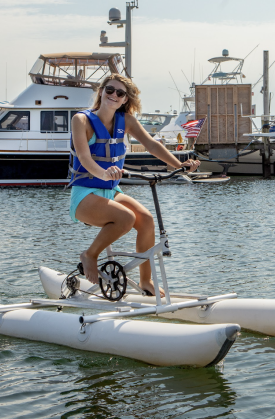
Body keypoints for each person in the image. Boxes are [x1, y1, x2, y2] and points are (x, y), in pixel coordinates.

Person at [69, 73, 200, 295]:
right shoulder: (81, 120)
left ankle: (146, 281)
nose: (114, 95)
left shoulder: (126, 121)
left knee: (146, 220)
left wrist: (179, 164)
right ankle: (90, 255)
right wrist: (104, 172)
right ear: (101, 91)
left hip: (111, 191)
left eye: (120, 93)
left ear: (125, 100)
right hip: (85, 195)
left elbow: (151, 145)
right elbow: (84, 158)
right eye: (110, 89)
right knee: (126, 218)